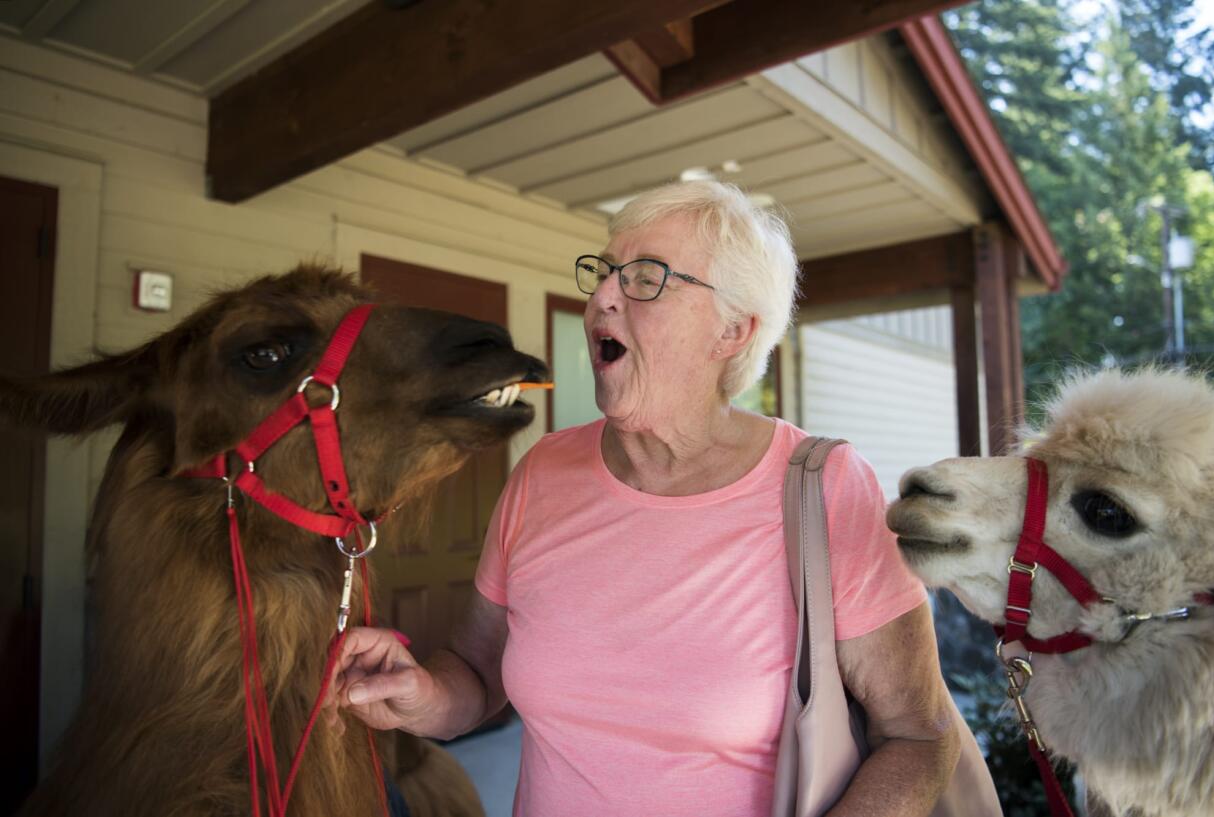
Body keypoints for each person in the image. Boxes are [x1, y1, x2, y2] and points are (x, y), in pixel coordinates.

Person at [334, 181, 959, 816]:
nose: (603, 296)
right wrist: (425, 694)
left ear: (732, 331)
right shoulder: (543, 473)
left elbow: (917, 735)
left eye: (646, 277)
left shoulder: (826, 487)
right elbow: (476, 668)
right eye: (603, 273)